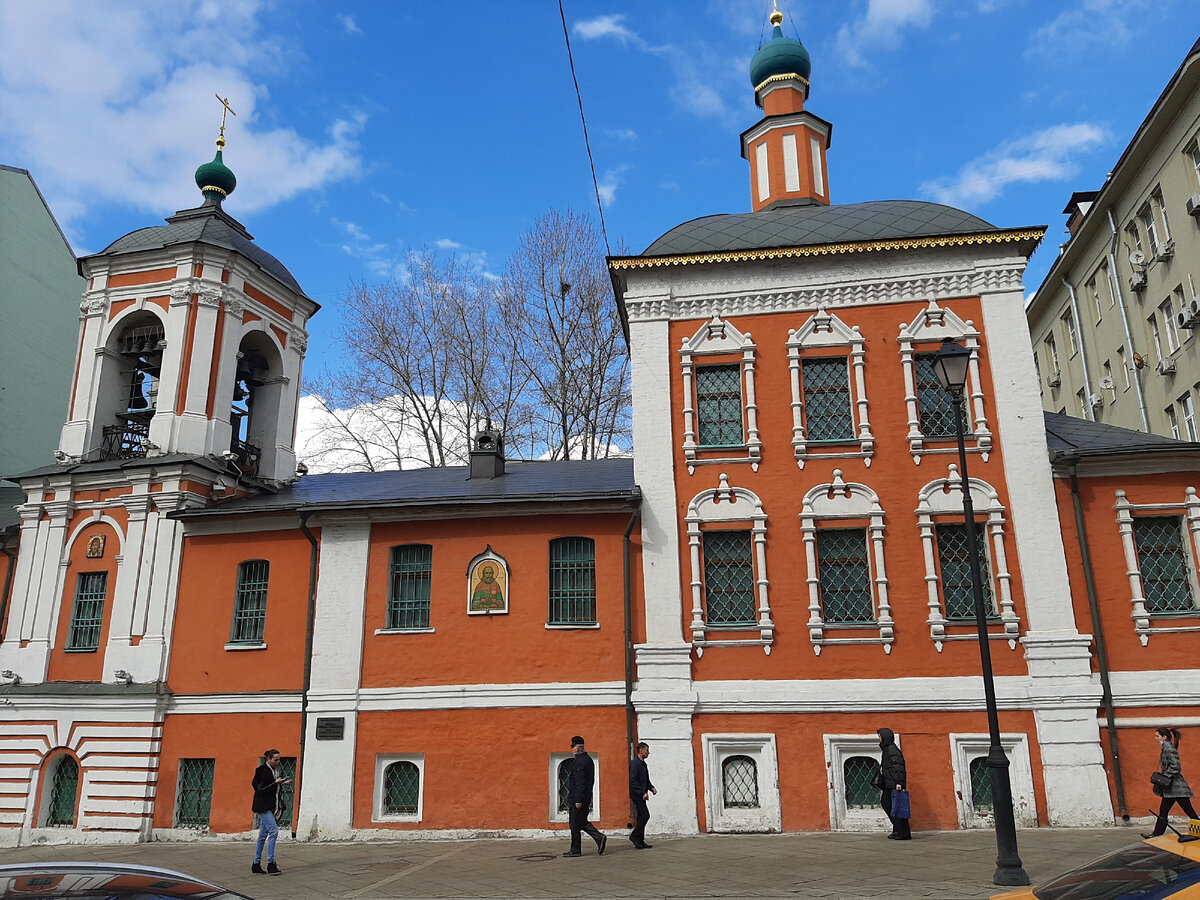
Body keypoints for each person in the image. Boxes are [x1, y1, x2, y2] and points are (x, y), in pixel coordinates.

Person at [1145, 726, 1200, 838]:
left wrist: (1165, 776)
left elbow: (1176, 766)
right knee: (1164, 811)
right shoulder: (1166, 748)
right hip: (1171, 788)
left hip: (1176, 788)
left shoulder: (1169, 748)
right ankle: (1156, 834)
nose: (1156, 738)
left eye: (1157, 736)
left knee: (1189, 812)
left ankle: (1156, 834)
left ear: (1164, 737)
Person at [563, 735, 607, 857]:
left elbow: (580, 782)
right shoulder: (588, 759)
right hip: (585, 797)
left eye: (572, 747)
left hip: (579, 799)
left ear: (577, 748)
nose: (571, 749)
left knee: (574, 824)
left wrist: (578, 800)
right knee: (581, 822)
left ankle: (576, 849)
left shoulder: (580, 762)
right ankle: (599, 838)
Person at [251, 749, 291, 875]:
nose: (277, 762)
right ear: (268, 759)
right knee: (273, 831)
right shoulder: (261, 771)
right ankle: (271, 863)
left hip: (272, 805)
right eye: (275, 760)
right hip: (262, 806)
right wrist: (275, 783)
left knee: (262, 836)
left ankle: (256, 863)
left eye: (279, 759)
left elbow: (274, 786)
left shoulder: (277, 770)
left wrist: (283, 783)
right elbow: (260, 789)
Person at [877, 728, 910, 840]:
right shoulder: (887, 749)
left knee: (895, 806)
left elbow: (898, 767)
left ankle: (903, 832)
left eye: (880, 737)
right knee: (889, 804)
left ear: (885, 737)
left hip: (894, 783)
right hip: (889, 783)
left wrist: (899, 783)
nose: (879, 739)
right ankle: (897, 829)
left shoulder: (891, 749)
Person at [629, 741, 657, 849]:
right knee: (645, 815)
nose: (648, 753)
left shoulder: (643, 764)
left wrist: (651, 788)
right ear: (641, 751)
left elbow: (646, 780)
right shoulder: (635, 764)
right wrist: (642, 793)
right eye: (647, 750)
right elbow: (633, 781)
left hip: (642, 794)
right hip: (637, 795)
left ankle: (640, 841)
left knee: (641, 816)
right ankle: (634, 836)